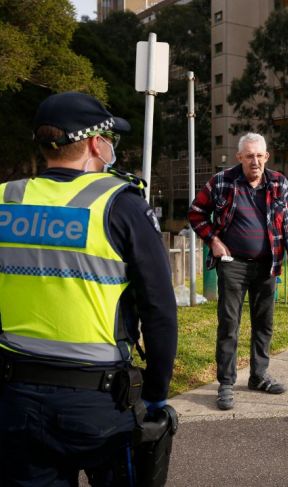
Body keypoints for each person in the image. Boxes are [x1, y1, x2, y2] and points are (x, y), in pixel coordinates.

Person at [0, 92, 178, 485]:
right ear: (97, 143)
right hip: (100, 404)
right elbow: (160, 309)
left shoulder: (5, 199)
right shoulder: (121, 204)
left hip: (17, 400)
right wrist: (156, 393)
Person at [188, 132, 288, 411]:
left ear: (267, 156)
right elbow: (196, 212)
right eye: (249, 156)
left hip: (268, 265)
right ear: (239, 157)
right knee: (229, 324)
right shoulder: (221, 182)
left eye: (259, 155)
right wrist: (213, 241)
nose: (255, 161)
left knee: (264, 324)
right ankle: (226, 383)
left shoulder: (279, 183)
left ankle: (258, 376)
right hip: (233, 264)